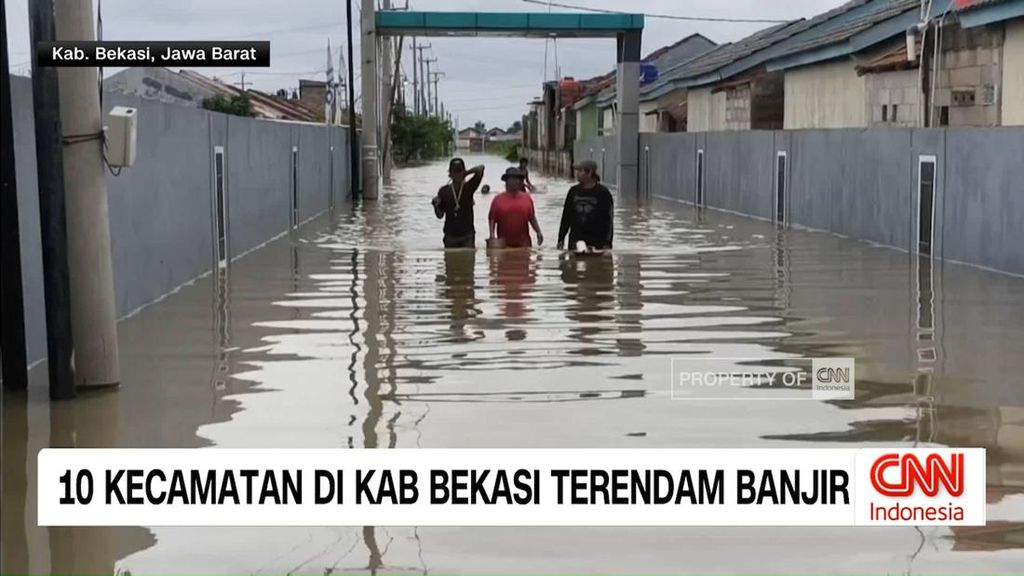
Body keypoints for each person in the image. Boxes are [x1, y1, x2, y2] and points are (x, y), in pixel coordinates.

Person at [557, 159, 614, 251]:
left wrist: (607, 243)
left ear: (589, 173)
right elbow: (566, 217)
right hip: (575, 241)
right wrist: (561, 238)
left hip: (597, 242)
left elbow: (608, 220)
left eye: (580, 171)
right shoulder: (573, 192)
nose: (577, 174)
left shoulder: (603, 193)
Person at [432, 158, 485, 248]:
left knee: (468, 261)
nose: (457, 174)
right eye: (455, 171)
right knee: (450, 261)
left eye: (460, 171)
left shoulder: (469, 187)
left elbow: (480, 168)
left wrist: (466, 173)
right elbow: (440, 215)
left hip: (467, 235)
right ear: (450, 173)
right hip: (450, 236)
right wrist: (435, 206)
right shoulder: (444, 191)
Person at [488, 167, 544, 248]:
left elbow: (532, 218)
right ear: (506, 181)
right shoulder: (497, 200)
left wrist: (538, 232)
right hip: (504, 245)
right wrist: (492, 236)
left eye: (516, 179)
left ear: (520, 182)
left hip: (524, 244)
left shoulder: (527, 198)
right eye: (512, 179)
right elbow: (492, 219)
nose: (514, 181)